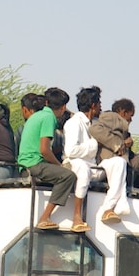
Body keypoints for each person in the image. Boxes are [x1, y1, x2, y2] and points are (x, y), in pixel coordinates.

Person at [63, 86, 130, 225]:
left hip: (94, 167)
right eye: (99, 103)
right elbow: (71, 151)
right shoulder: (73, 123)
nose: (101, 107)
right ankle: (77, 216)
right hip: (75, 165)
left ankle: (108, 208)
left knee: (119, 162)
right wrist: (95, 145)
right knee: (82, 168)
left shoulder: (95, 123)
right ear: (93, 105)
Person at [17, 87, 81, 230]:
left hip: (25, 163)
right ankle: (45, 217)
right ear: (63, 107)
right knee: (68, 176)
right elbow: (45, 150)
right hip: (33, 164)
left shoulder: (37, 115)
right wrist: (60, 165)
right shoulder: (49, 118)